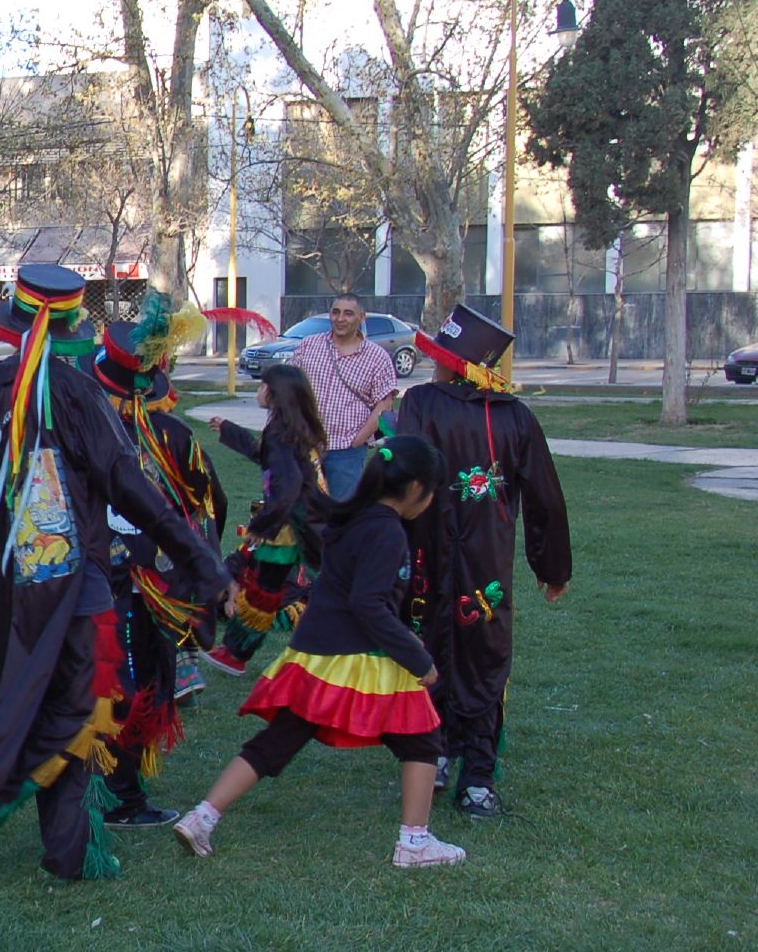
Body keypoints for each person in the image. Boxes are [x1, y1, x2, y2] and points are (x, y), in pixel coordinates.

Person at [0, 264, 228, 883]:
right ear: (73, 325)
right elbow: (132, 487)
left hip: (12, 590)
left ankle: (57, 846)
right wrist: (198, 558)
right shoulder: (76, 394)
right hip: (77, 590)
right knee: (76, 714)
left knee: (35, 705)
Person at [173, 434, 468, 868]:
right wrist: (417, 658)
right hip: (360, 657)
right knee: (423, 740)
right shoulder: (387, 533)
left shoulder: (355, 519)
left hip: (317, 654)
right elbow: (369, 605)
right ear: (416, 491)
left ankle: (202, 817)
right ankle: (414, 842)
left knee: (278, 741)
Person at [394, 304, 573, 818]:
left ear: (459, 364)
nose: (433, 366)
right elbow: (547, 500)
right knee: (483, 659)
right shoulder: (515, 416)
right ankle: (474, 775)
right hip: (483, 565)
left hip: (426, 558)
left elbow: (400, 474)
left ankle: (448, 758)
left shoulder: (423, 404)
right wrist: (552, 569)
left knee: (432, 652)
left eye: (440, 358)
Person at [83, 304, 230, 827]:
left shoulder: (79, 429)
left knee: (100, 680)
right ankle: (121, 795)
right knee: (140, 682)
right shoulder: (175, 437)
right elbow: (208, 502)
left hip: (88, 577)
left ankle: (102, 787)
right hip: (151, 585)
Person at [203, 363, 329, 677]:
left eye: (263, 386)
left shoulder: (280, 433)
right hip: (307, 524)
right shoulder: (293, 430)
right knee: (268, 590)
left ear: (277, 395)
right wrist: (231, 432)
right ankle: (235, 652)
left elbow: (286, 489)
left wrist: (261, 526)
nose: (258, 391)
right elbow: (268, 458)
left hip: (292, 528)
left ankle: (236, 653)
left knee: (266, 592)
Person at [292, 291, 400, 499]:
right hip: (304, 446)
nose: (340, 319)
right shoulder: (309, 346)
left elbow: (384, 404)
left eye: (348, 314)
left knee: (341, 516)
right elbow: (290, 389)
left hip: (346, 452)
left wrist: (358, 440)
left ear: (361, 317)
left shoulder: (377, 357)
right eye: (335, 312)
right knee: (299, 515)